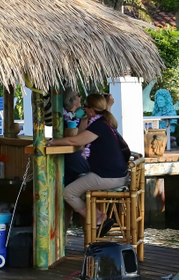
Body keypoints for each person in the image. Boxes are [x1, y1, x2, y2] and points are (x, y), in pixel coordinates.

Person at [47, 93, 128, 237]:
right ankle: (97, 217)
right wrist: (85, 119)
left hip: (108, 177)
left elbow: (75, 141)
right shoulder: (103, 122)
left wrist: (52, 142)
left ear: (91, 109)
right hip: (115, 174)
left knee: (68, 193)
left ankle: (98, 218)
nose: (83, 109)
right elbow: (82, 136)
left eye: (85, 107)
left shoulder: (98, 126)